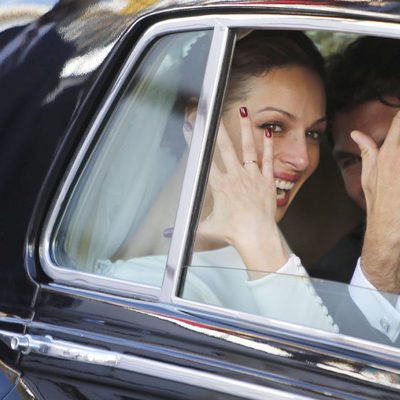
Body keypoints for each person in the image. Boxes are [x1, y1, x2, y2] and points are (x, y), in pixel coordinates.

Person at [96, 30, 340, 333]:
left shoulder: (258, 231)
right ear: (198, 121)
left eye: (313, 134)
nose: (303, 158)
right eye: (274, 126)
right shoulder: (146, 288)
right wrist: (261, 243)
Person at [310, 36, 400, 343]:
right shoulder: (332, 281)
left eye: (390, 148)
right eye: (351, 161)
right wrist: (381, 267)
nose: (369, 179)